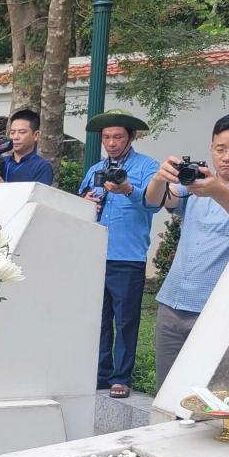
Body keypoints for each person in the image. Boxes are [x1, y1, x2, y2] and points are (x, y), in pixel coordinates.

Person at [145, 110, 229, 389]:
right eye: (220, 149)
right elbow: (158, 200)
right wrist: (160, 178)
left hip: (218, 309)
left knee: (214, 390)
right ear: (211, 148)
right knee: (167, 390)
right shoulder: (194, 184)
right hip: (172, 303)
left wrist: (217, 190)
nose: (227, 156)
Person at [79, 110, 161, 400]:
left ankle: (121, 377)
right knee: (97, 319)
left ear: (131, 137)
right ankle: (100, 374)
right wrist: (84, 200)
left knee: (125, 320)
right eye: (106, 137)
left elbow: (154, 205)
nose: (111, 143)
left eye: (118, 137)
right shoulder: (94, 170)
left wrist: (128, 189)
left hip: (128, 257)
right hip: (94, 255)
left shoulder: (148, 166)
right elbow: (79, 209)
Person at [0, 109, 55, 200]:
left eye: (22, 132)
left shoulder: (42, 166)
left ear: (36, 135)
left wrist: (2, 188)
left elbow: (36, 201)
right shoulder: (0, 162)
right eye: (12, 132)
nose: (15, 137)